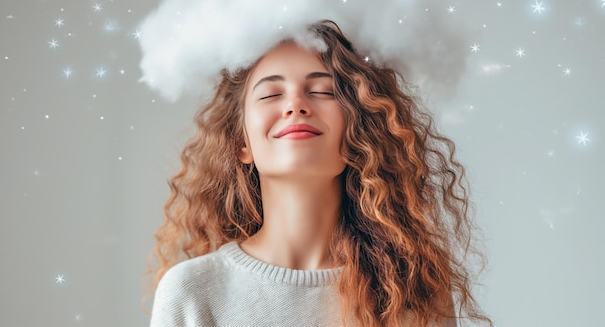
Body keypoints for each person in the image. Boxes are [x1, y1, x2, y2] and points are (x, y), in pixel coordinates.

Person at [146, 20, 491, 327]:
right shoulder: (192, 292)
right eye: (270, 94)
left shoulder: (413, 287)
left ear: (361, 130)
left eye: (323, 91)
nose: (296, 105)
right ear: (241, 143)